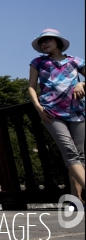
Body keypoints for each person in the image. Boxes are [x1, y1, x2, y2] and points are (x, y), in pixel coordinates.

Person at [28, 29, 85, 204]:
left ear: (58, 42)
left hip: (76, 111)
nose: (44, 44)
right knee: (69, 152)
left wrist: (81, 83)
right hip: (51, 112)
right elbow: (31, 86)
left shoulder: (74, 61)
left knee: (80, 155)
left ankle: (77, 199)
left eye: (48, 40)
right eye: (42, 42)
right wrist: (38, 107)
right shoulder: (38, 62)